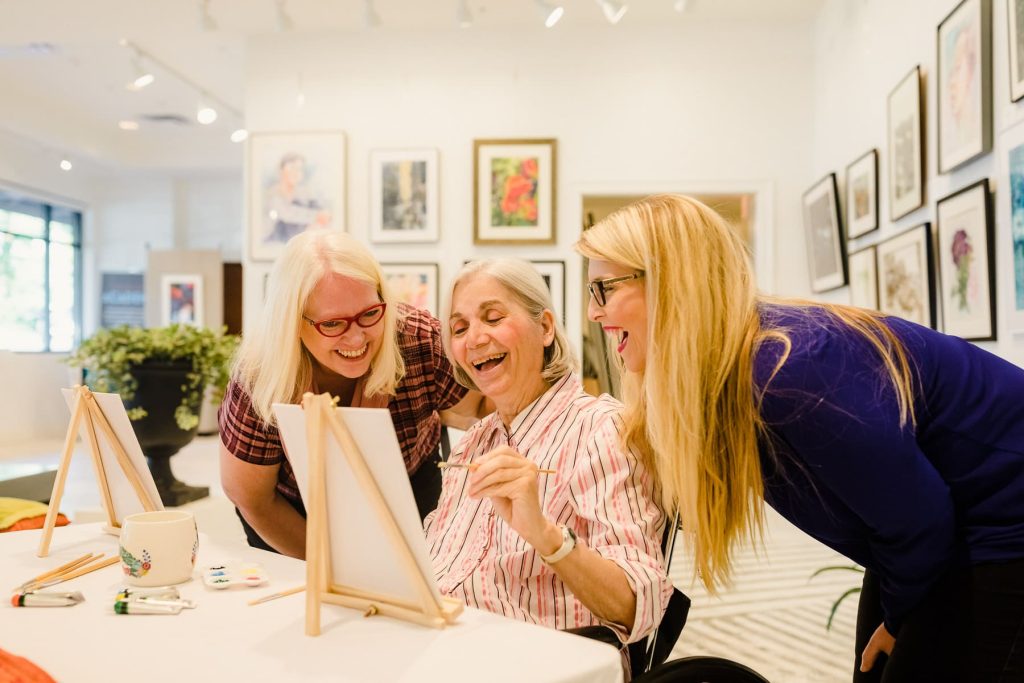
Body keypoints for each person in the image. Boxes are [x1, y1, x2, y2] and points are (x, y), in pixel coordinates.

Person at [576, 194, 1024, 682]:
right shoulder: (730, 364)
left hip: (999, 524)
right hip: (934, 527)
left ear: (671, 282)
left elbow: (921, 520)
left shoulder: (786, 369)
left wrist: (900, 622)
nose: (593, 312)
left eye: (603, 288)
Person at [426, 258, 672, 650]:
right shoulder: (473, 443)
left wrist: (545, 534)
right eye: (459, 328)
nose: (473, 339)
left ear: (544, 328)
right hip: (440, 644)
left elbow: (637, 607)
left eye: (492, 318)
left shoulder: (601, 431)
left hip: (530, 660)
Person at [218, 231, 485, 559]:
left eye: (369, 314)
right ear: (293, 323)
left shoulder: (416, 338)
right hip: (293, 509)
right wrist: (333, 566)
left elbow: (482, 409)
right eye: (333, 324)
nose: (356, 338)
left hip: (408, 486)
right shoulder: (260, 374)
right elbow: (252, 497)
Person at [263, 153, 332, 244]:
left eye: (299, 169)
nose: (296, 173)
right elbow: (287, 213)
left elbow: (321, 210)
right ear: (281, 170)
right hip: (278, 242)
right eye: (292, 168)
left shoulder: (304, 193)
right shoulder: (272, 193)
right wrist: (317, 216)